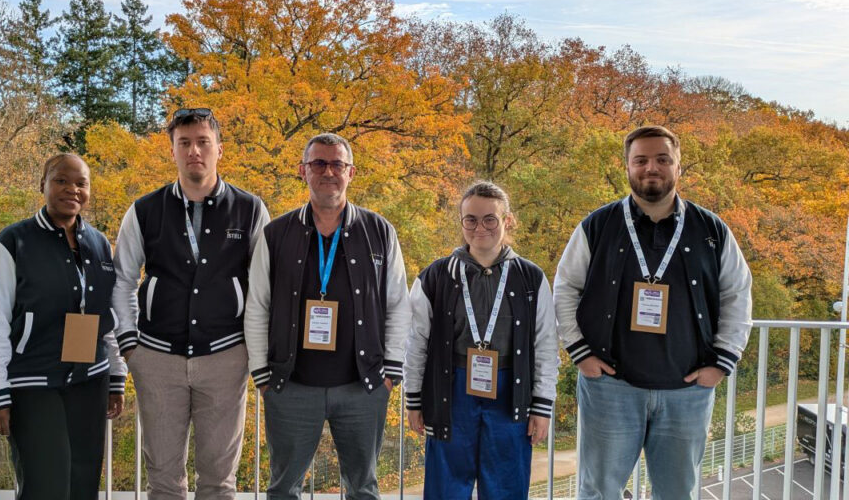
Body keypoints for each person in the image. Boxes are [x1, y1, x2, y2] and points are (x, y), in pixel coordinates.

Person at [554, 125, 752, 499]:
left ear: (679, 167)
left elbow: (738, 295)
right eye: (641, 160)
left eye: (663, 159)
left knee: (678, 493)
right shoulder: (597, 226)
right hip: (610, 388)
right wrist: (580, 353)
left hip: (687, 391)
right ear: (627, 166)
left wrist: (722, 362)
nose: (651, 168)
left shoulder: (712, 230)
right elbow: (565, 288)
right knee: (598, 491)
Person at [111, 108, 269, 500]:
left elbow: (265, 287)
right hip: (157, 358)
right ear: (173, 151)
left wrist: (253, 351)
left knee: (218, 480)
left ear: (220, 149)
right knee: (163, 480)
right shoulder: (145, 210)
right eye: (184, 143)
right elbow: (122, 280)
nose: (194, 151)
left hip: (225, 357)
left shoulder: (250, 209)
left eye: (202, 142)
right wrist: (130, 345)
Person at [244, 133, 411, 500]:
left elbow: (398, 303)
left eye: (337, 164)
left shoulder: (380, 232)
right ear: (302, 171)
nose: (328, 172)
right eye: (318, 163)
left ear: (351, 172)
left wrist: (391, 373)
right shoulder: (275, 234)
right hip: (290, 387)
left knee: (363, 489)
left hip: (363, 387)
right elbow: (257, 305)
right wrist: (262, 375)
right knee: (284, 489)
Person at [0, 153, 126, 500]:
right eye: (60, 180)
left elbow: (107, 315)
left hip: (90, 379)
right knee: (46, 485)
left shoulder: (99, 243)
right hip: (33, 381)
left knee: (82, 482)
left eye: (81, 183)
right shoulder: (13, 243)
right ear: (42, 184)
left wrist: (117, 376)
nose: (71, 189)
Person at [404, 181, 559, 500]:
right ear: (461, 223)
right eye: (470, 219)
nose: (480, 227)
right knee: (446, 486)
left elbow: (545, 345)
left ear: (508, 221)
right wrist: (414, 399)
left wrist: (542, 406)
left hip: (510, 391)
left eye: (490, 218)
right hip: (451, 390)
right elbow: (415, 344)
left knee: (506, 487)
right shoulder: (435, 277)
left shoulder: (530, 278)